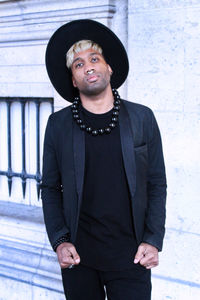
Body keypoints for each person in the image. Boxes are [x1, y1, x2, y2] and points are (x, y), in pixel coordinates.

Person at [42, 19, 167, 300]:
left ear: (108, 67)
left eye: (94, 58)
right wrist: (60, 241)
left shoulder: (141, 118)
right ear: (73, 80)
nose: (88, 66)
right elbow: (50, 188)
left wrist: (152, 239)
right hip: (78, 259)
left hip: (132, 256)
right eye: (78, 64)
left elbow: (157, 182)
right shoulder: (58, 125)